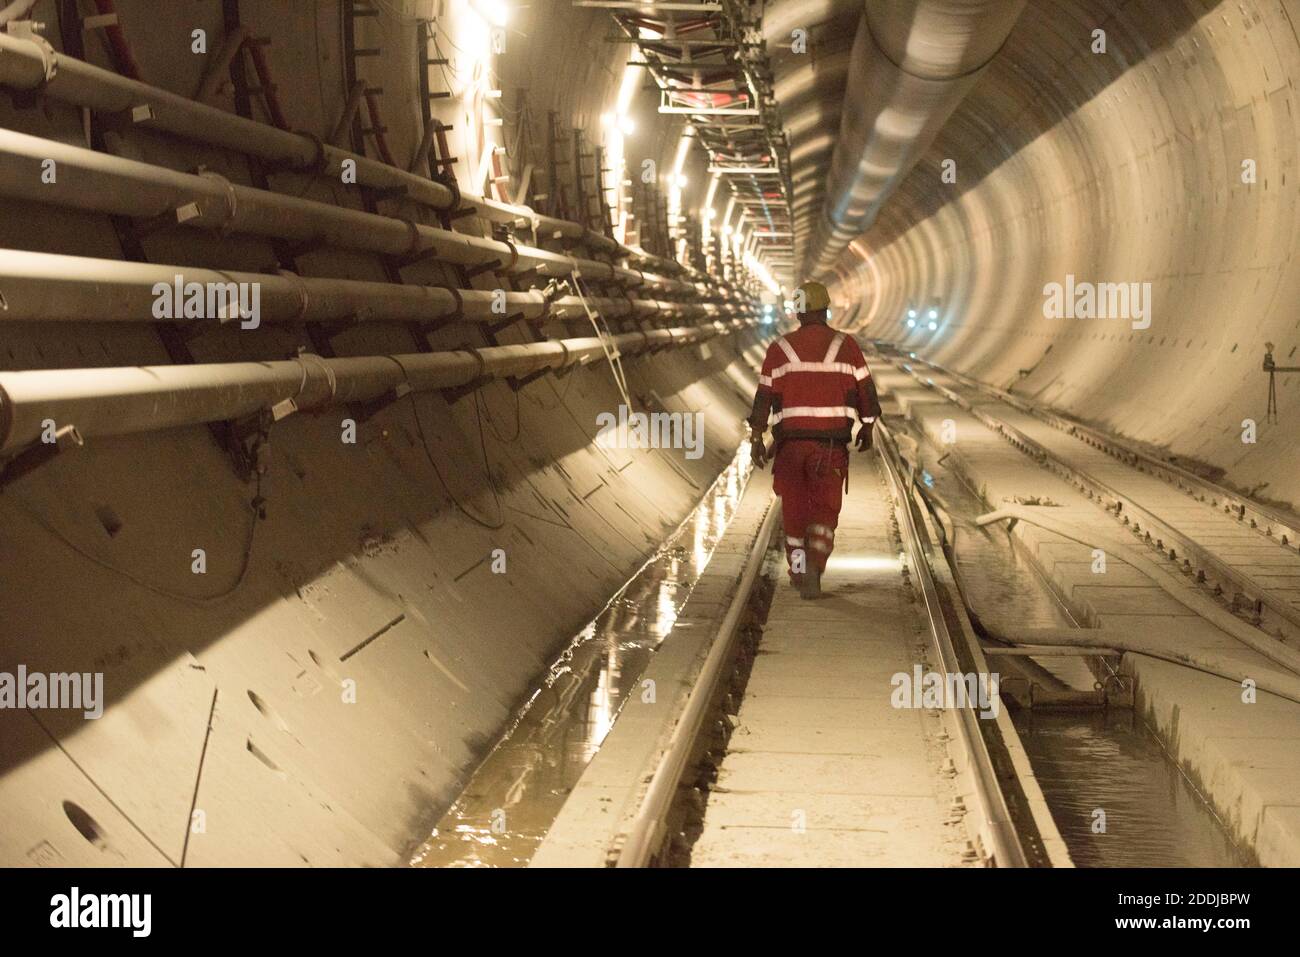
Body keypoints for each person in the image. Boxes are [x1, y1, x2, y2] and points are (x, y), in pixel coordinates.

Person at [746, 280, 882, 599]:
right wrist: (867, 426)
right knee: (825, 509)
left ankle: (797, 569)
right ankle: (816, 567)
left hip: (791, 448)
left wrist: (756, 437)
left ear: (797, 313)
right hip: (831, 448)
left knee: (793, 514)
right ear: (825, 310)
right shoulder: (845, 346)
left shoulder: (780, 349)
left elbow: (763, 396)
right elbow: (866, 390)